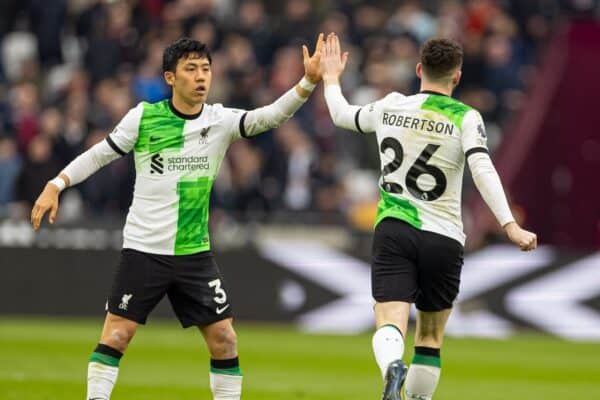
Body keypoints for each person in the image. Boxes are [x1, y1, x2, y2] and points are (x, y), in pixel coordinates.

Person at [30, 35, 323, 400]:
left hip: (193, 253)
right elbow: (99, 154)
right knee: (117, 335)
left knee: (224, 338)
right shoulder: (145, 117)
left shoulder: (221, 121)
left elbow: (271, 116)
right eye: (191, 69)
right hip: (144, 250)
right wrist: (56, 184)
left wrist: (308, 82)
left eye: (206, 69)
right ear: (170, 77)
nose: (201, 77)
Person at [320, 33, 537, 400]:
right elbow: (482, 168)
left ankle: (391, 365)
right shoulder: (466, 117)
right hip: (444, 237)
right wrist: (509, 224)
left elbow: (341, 115)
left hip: (394, 228)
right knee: (430, 337)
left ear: (419, 69)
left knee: (390, 321)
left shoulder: (390, 106)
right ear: (457, 77)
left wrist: (329, 78)